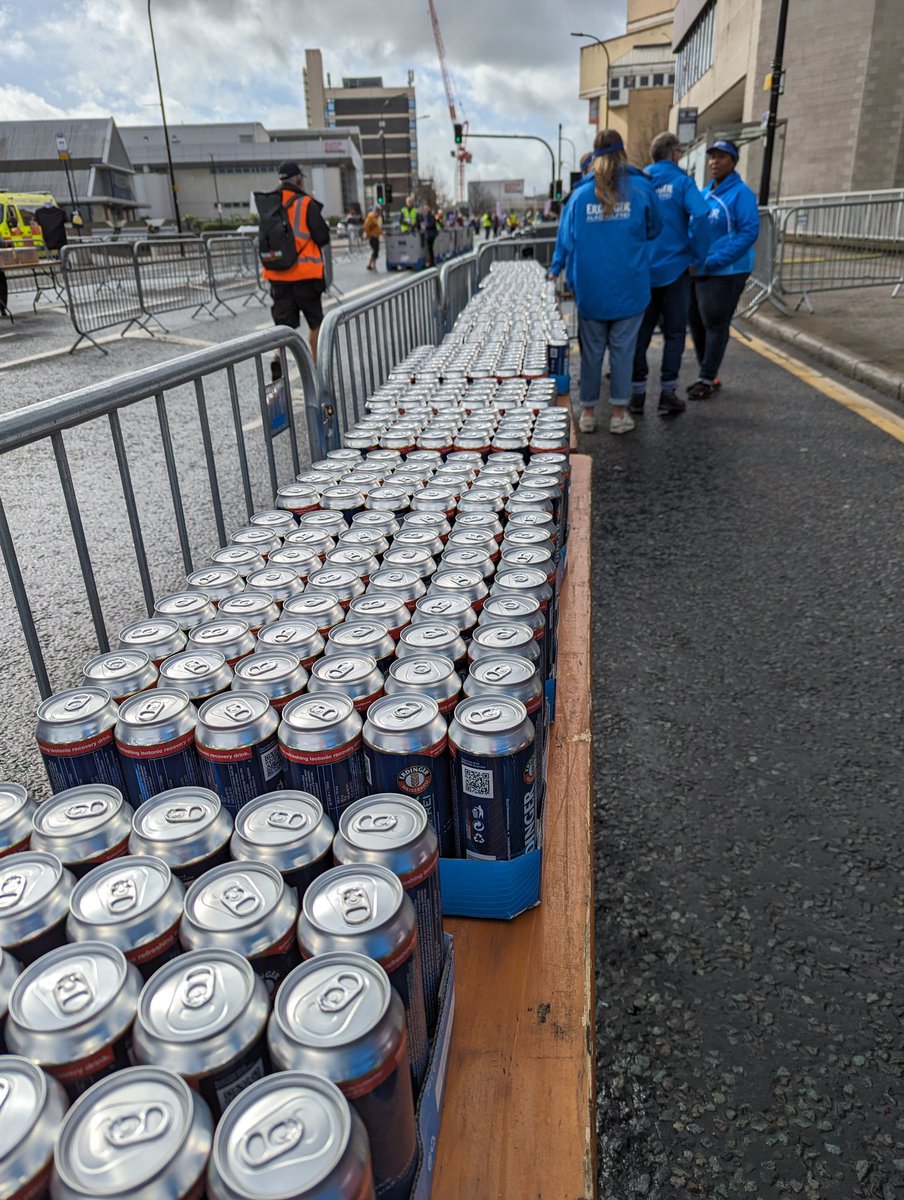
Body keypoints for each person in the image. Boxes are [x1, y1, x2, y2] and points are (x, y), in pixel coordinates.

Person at [551, 129, 662, 436]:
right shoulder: (641, 189)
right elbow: (655, 228)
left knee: (591, 353)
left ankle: (587, 413)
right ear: (622, 152)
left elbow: (566, 238)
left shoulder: (579, 196)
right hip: (629, 285)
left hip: (591, 289)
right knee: (623, 351)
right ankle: (618, 413)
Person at [630, 131, 712, 417]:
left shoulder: (639, 182)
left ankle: (636, 394)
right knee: (674, 333)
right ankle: (667, 392)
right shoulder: (682, 181)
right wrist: (697, 256)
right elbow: (701, 215)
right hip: (676, 269)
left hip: (643, 270)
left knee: (640, 333)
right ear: (675, 154)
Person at [686, 140, 759, 399]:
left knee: (715, 323)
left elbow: (749, 232)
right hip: (701, 269)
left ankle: (706, 378)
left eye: (721, 157)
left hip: (727, 271)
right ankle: (708, 373)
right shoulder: (704, 193)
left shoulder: (741, 194)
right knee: (695, 322)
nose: (714, 162)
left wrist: (716, 260)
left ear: (733, 162)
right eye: (712, 157)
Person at [262, 161, 330, 366]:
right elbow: (322, 236)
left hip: (278, 277)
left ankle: (278, 358)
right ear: (298, 179)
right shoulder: (305, 203)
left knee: (284, 327)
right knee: (316, 324)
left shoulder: (270, 204)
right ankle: (318, 370)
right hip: (305, 276)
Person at [419, 202, 439, 268]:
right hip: (428, 233)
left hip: (431, 234)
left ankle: (431, 262)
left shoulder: (431, 215)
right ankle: (431, 261)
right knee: (429, 248)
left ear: (429, 209)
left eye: (426, 208)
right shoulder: (425, 215)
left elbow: (433, 224)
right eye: (425, 208)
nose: (425, 209)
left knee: (429, 248)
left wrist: (425, 227)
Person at [363, 206, 382, 271]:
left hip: (375, 236)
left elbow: (377, 228)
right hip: (373, 237)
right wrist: (370, 234)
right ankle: (371, 265)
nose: (379, 215)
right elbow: (366, 226)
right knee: (375, 251)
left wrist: (381, 233)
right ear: (376, 212)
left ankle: (372, 265)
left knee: (375, 251)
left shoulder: (375, 218)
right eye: (378, 213)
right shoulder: (371, 217)